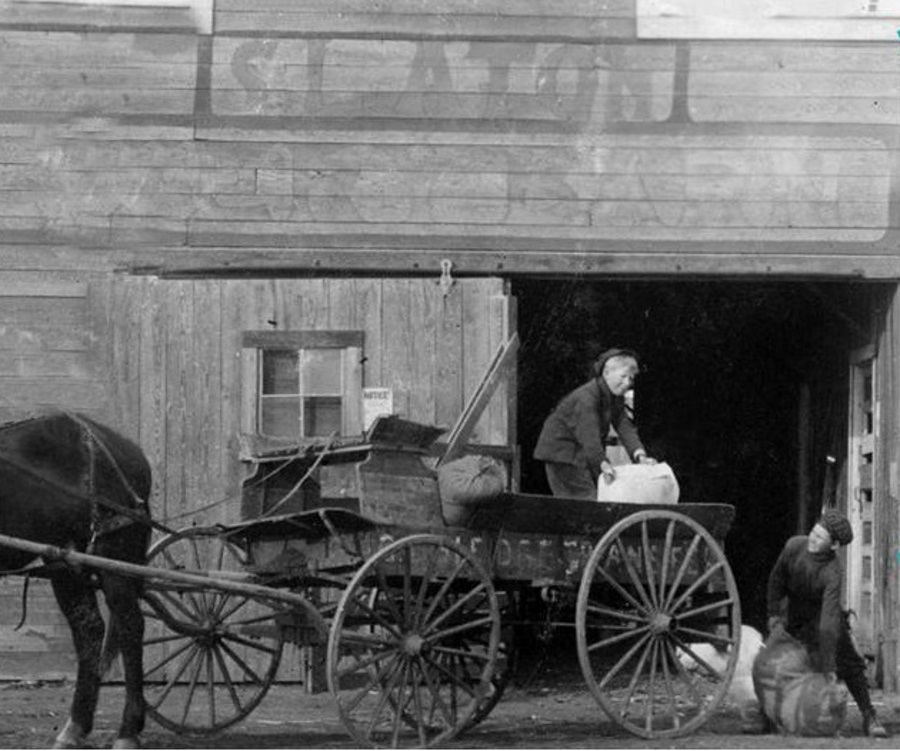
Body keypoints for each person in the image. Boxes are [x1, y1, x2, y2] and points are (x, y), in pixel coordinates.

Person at [766, 509, 889, 738]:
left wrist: (829, 665)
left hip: (822, 615)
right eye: (814, 532)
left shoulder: (833, 571)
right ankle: (769, 714)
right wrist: (773, 615)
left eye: (820, 537)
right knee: (771, 658)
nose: (813, 539)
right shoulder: (794, 546)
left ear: (833, 546)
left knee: (850, 663)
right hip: (793, 613)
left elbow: (829, 620)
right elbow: (776, 580)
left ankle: (869, 715)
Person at [534, 348, 655, 499]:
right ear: (606, 373)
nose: (626, 383)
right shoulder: (587, 398)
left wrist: (639, 455)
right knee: (586, 501)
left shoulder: (614, 397)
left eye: (630, 379)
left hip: (580, 454)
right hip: (563, 456)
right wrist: (603, 464)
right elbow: (589, 437)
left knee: (595, 499)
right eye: (623, 376)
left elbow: (624, 426)